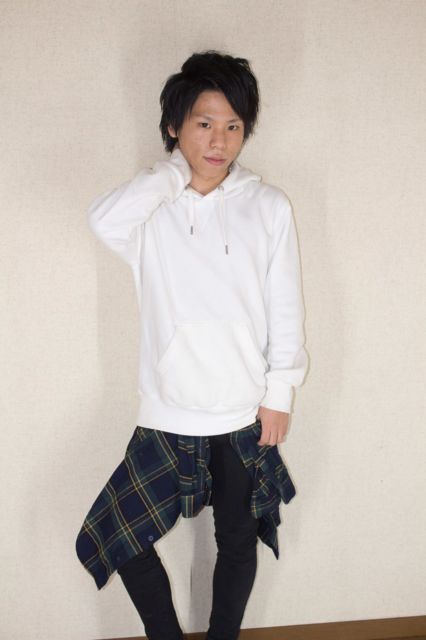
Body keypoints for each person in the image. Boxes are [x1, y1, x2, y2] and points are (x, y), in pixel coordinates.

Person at [76, 50, 309, 640]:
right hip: (168, 408)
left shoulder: (269, 206)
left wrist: (280, 393)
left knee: (237, 539)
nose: (219, 140)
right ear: (175, 125)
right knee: (121, 534)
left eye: (233, 125)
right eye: (204, 123)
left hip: (242, 409)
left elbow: (285, 306)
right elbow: (103, 220)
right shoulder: (151, 210)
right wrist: (172, 174)